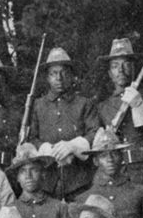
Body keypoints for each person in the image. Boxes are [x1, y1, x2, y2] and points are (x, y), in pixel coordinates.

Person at [93, 37, 143, 188]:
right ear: (109, 73)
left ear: (134, 68)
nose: (120, 70)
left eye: (126, 64)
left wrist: (139, 105)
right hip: (119, 174)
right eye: (115, 66)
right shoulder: (103, 107)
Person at [27, 47, 97, 199]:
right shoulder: (37, 105)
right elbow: (30, 137)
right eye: (53, 73)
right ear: (47, 77)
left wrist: (72, 146)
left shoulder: (84, 103)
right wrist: (46, 149)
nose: (58, 78)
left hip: (80, 181)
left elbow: (94, 133)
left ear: (72, 75)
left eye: (63, 72)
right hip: (47, 181)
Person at [73, 129, 143, 218]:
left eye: (114, 154)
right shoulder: (83, 199)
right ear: (95, 161)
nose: (110, 159)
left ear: (122, 156)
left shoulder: (141, 192)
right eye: (103, 155)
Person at [6, 144, 73, 218]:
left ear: (43, 174)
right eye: (22, 172)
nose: (28, 176)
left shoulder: (59, 207)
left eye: (34, 170)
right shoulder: (10, 210)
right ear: (17, 178)